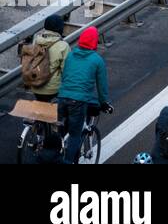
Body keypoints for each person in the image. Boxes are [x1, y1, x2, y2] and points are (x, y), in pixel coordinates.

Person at [55, 26, 110, 164]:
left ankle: (55, 156)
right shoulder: (97, 60)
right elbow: (101, 86)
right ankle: (67, 162)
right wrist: (104, 103)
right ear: (95, 42)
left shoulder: (71, 55)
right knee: (74, 134)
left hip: (62, 98)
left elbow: (66, 77)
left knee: (61, 132)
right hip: (78, 102)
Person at [21, 13, 69, 102]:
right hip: (53, 89)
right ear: (60, 28)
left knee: (40, 106)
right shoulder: (63, 46)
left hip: (35, 85)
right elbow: (66, 70)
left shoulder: (37, 40)